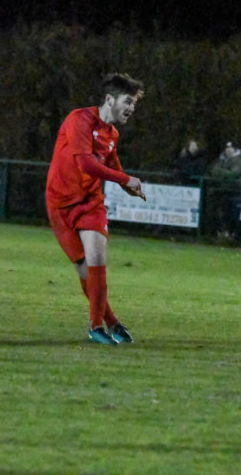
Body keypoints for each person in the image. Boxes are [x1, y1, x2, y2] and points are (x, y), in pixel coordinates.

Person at [45, 73, 146, 345]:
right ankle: (112, 322)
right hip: (60, 204)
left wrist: (128, 186)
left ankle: (95, 327)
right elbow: (86, 164)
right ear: (110, 100)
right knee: (83, 269)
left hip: (90, 202)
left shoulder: (113, 134)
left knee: (97, 258)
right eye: (128, 102)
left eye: (134, 104)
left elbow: (112, 164)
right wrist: (125, 179)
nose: (131, 108)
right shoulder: (79, 119)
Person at [210, 141, 241, 241]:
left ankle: (235, 236)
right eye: (227, 148)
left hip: (236, 192)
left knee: (236, 216)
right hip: (223, 191)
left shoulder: (239, 161)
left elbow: (234, 174)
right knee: (223, 214)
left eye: (231, 148)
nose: (228, 150)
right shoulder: (220, 160)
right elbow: (213, 171)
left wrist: (221, 173)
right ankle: (224, 235)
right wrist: (225, 173)